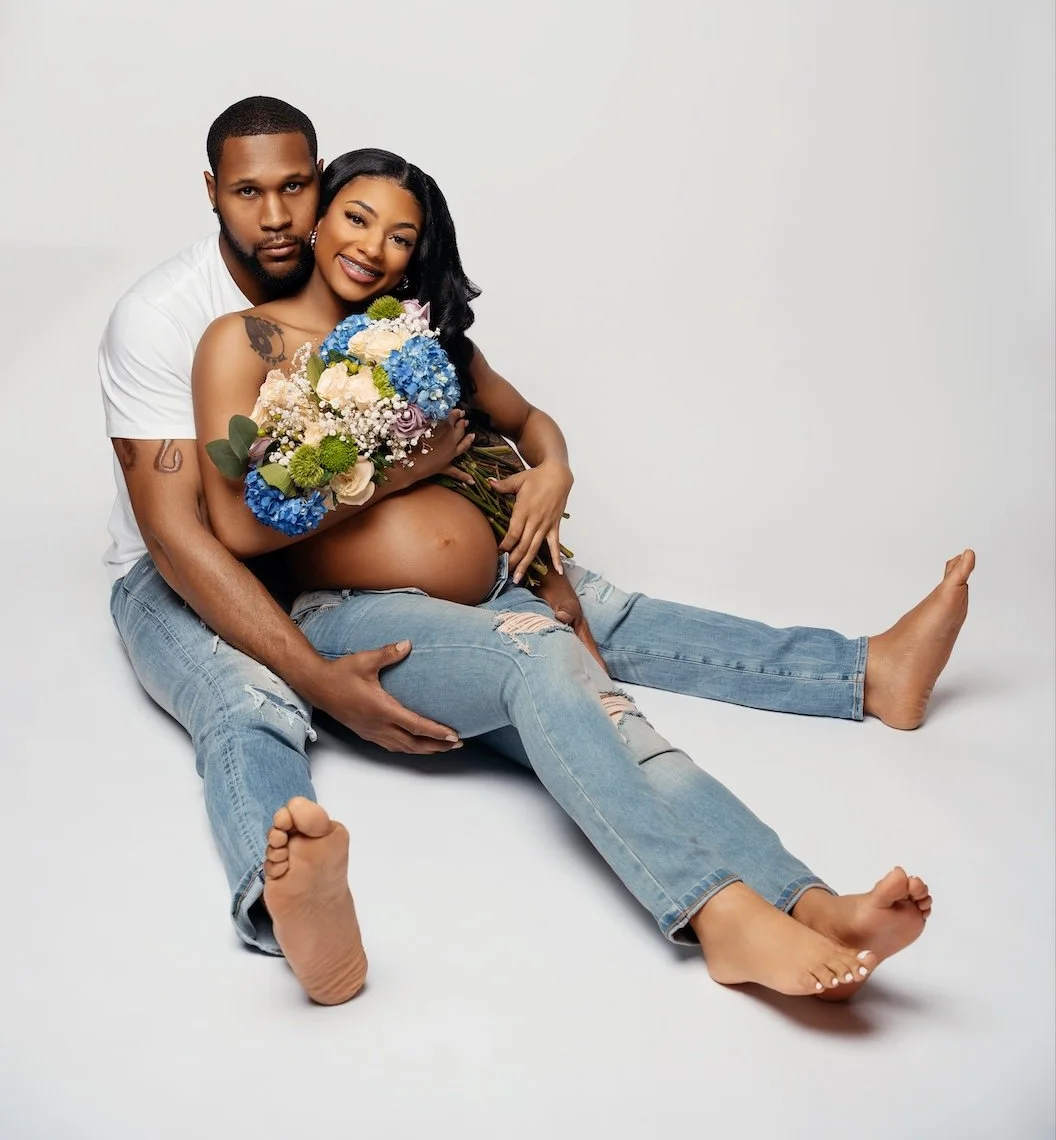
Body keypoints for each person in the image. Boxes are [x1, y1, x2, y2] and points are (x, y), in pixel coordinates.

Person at [193, 144, 972, 1005]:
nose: (374, 247)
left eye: (403, 237)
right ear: (322, 215)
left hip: (492, 593)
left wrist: (554, 471)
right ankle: (719, 915)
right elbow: (239, 526)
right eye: (358, 218)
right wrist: (406, 476)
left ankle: (813, 904)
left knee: (620, 727)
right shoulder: (243, 341)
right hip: (351, 614)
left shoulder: (419, 344)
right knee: (545, 655)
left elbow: (531, 422)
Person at [100, 97, 479, 1006]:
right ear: (211, 193)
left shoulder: (354, 292)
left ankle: (847, 668)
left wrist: (551, 466)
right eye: (246, 191)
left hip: (309, 557)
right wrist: (314, 675)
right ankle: (286, 899)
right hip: (170, 569)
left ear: (324, 182)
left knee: (566, 605)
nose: (274, 217)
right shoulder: (163, 316)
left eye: (295, 187)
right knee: (246, 694)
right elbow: (179, 533)